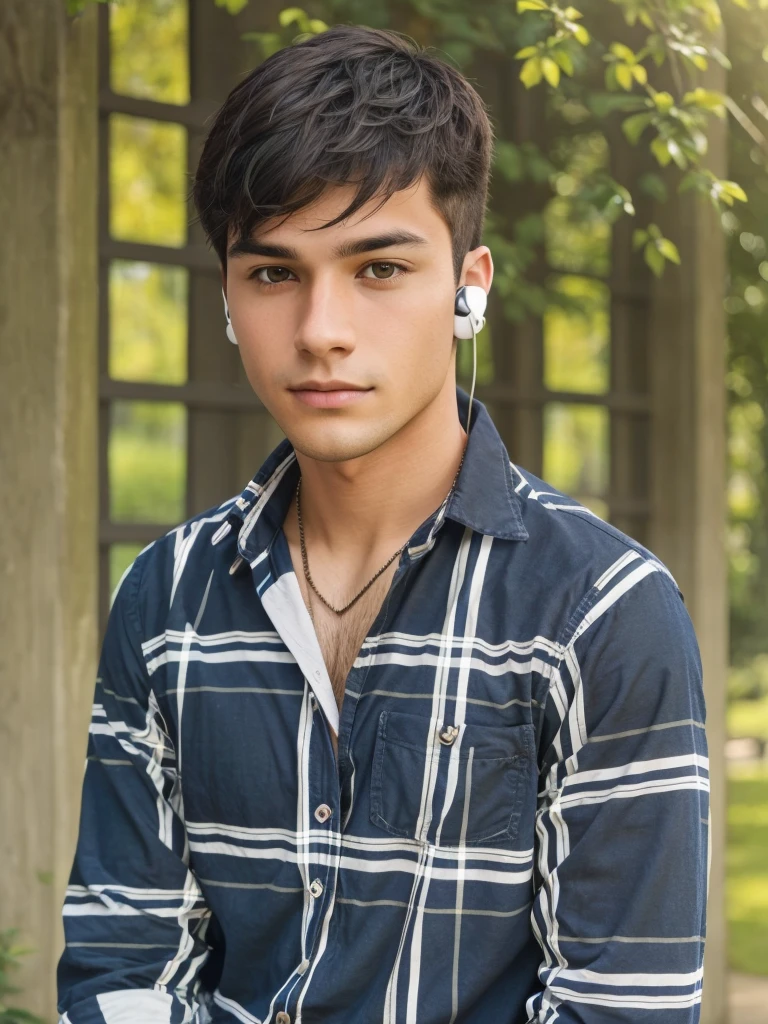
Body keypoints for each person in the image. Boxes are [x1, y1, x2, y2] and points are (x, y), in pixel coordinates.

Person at [57, 23, 709, 1024]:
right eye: (274, 273)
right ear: (229, 300)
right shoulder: (165, 597)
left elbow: (624, 1008)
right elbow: (122, 973)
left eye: (379, 268)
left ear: (468, 286)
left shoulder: (603, 612)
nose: (321, 329)